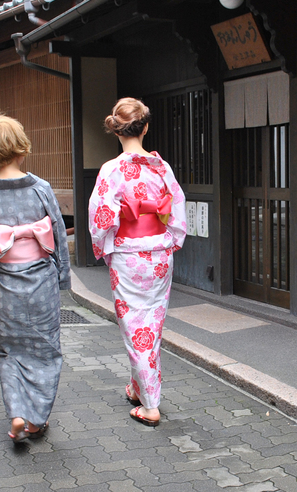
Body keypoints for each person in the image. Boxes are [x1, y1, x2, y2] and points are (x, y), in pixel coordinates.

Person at [0, 115, 70, 442]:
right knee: (45, 350)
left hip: (3, 286)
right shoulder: (40, 189)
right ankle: (36, 420)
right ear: (21, 149)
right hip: (40, 282)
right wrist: (62, 278)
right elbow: (57, 233)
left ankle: (16, 413)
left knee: (9, 351)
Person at [88, 97, 186, 426]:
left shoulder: (112, 170)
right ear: (145, 128)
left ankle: (150, 405)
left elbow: (101, 217)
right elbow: (176, 206)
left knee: (135, 326)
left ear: (116, 131)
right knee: (150, 324)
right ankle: (137, 385)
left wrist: (104, 246)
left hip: (128, 254)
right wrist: (172, 239)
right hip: (159, 253)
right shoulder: (162, 168)